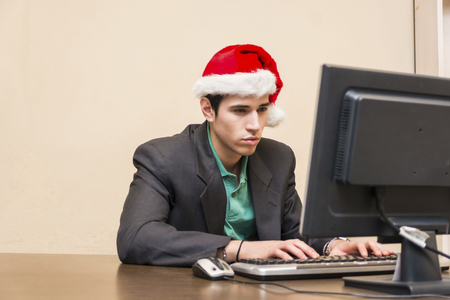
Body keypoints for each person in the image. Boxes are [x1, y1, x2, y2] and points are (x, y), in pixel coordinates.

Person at [117, 44, 393, 267]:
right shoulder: (162, 157)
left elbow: (294, 233)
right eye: (240, 110)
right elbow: (136, 238)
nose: (255, 124)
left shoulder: (278, 157)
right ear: (207, 110)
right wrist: (240, 249)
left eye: (262, 109)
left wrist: (336, 245)